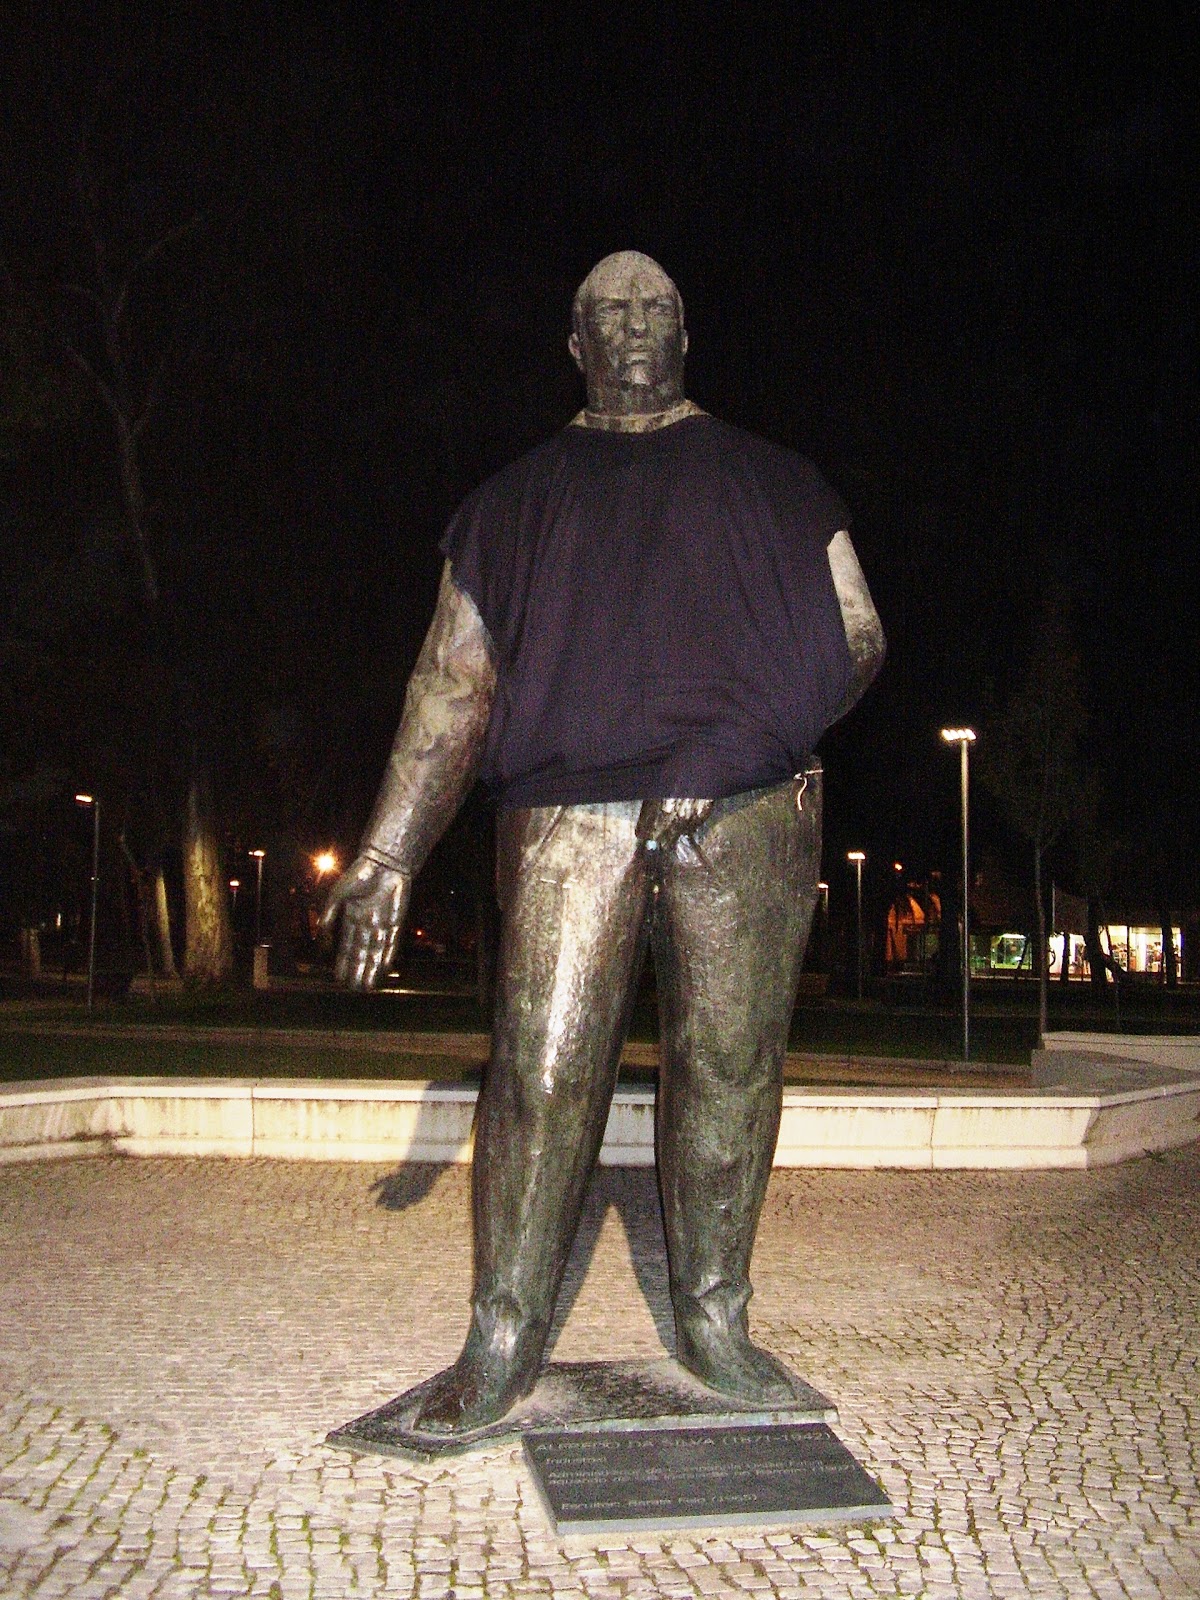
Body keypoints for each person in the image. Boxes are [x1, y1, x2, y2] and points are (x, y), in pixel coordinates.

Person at [323, 251, 885, 1436]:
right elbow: (450, 686)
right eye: (610, 310)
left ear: (687, 333)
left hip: (745, 809)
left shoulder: (778, 484)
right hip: (566, 816)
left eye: (657, 306)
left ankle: (717, 1321)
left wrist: (727, 749)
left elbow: (856, 637)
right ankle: (503, 1336)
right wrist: (388, 850)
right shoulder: (512, 504)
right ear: (575, 345)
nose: (636, 322)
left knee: (729, 1068)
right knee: (538, 1072)